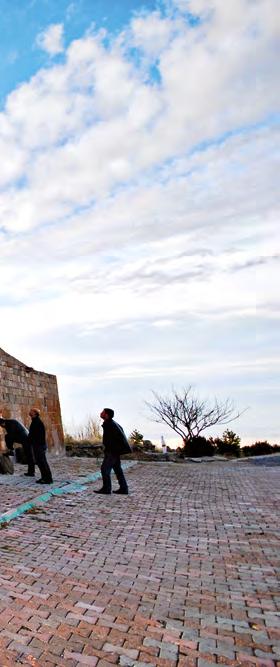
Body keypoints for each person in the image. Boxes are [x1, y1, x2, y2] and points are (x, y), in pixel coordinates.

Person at [94, 408, 131, 495]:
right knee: (118, 469)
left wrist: (108, 448)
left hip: (112, 451)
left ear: (106, 415)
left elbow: (111, 440)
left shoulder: (109, 424)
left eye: (102, 412)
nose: (100, 413)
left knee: (105, 469)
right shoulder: (112, 424)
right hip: (115, 451)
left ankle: (107, 488)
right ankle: (124, 488)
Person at [28, 408, 53, 484]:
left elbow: (35, 435)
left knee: (42, 462)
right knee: (40, 462)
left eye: (31, 411)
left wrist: (31, 440)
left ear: (35, 413)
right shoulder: (35, 421)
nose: (29, 412)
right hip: (38, 445)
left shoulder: (37, 422)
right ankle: (44, 478)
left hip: (39, 445)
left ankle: (48, 479)